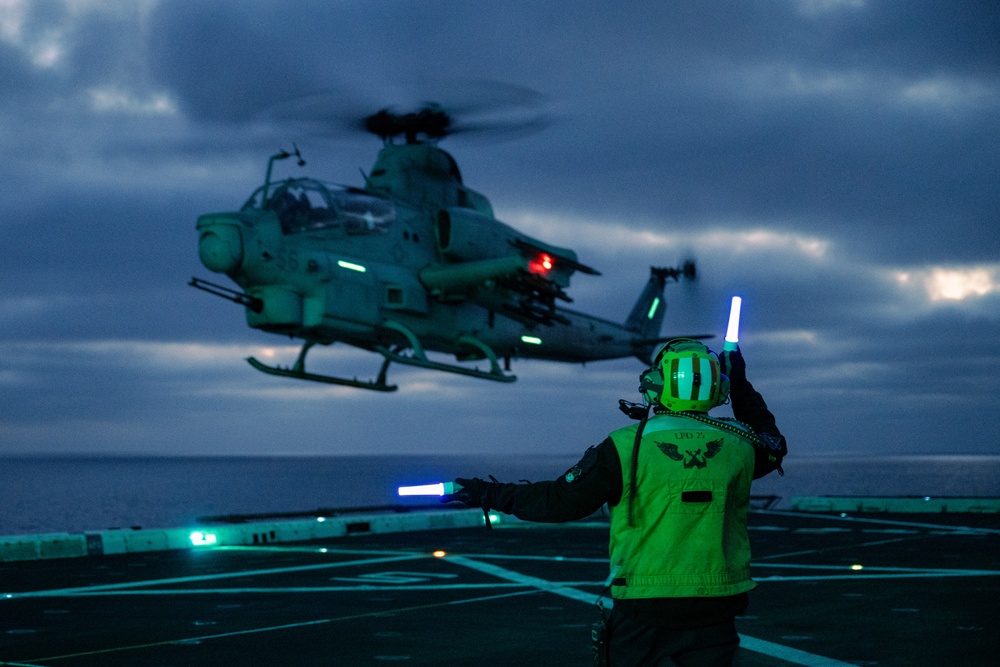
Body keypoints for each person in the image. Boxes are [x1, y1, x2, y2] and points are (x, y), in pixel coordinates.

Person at [442, 339, 787, 667]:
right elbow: (772, 442)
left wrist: (485, 493)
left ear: (656, 383)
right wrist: (740, 382)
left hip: (643, 609)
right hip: (718, 606)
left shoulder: (624, 446)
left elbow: (558, 502)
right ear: (718, 388)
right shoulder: (740, 446)